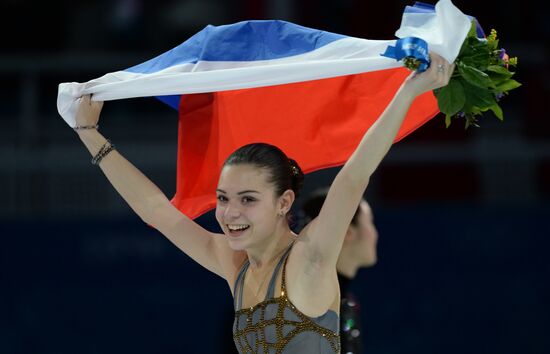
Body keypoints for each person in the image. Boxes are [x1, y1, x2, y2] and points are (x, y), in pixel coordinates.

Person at [71, 52, 454, 353]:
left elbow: (354, 176)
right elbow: (157, 211)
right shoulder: (233, 262)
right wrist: (88, 132)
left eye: (247, 199)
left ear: (284, 201)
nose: (230, 213)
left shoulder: (309, 259)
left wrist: (408, 91)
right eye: (223, 198)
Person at [302, 189, 378, 354]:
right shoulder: (310, 308)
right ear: (348, 233)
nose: (375, 233)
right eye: (370, 222)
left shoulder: (344, 304)